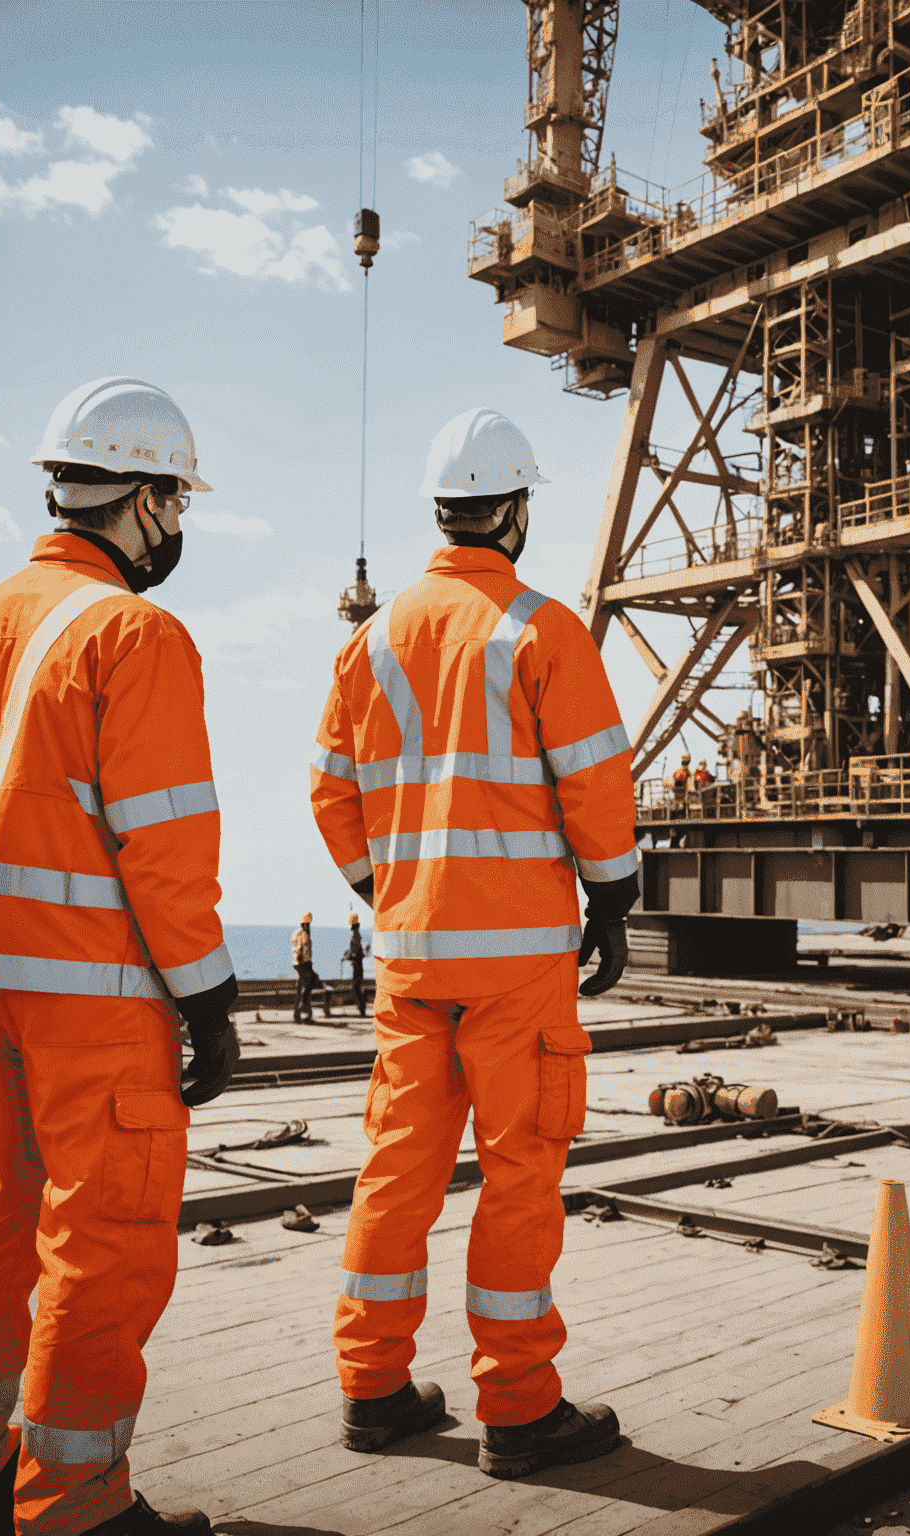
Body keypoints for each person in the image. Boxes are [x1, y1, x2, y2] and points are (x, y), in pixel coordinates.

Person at [0, 377, 240, 1536]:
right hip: (101, 1000)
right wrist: (211, 996)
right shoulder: (134, 632)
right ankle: (77, 1506)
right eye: (175, 505)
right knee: (104, 1241)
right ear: (139, 499)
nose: (176, 529)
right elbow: (166, 844)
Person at [308, 407, 639, 1480]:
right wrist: (614, 902)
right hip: (517, 966)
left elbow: (330, 791)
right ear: (515, 511)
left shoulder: (373, 639)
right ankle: (519, 1407)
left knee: (397, 1171)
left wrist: (388, 892)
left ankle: (373, 1388)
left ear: (442, 512)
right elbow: (594, 782)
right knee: (518, 1175)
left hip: (413, 960)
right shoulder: (542, 631)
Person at [292, 912, 318, 1021]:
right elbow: (301, 949)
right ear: (306, 924)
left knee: (301, 986)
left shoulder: (296, 933)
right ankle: (304, 1007)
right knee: (312, 981)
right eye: (308, 924)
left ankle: (297, 1014)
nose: (309, 927)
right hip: (303, 963)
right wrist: (304, 963)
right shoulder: (304, 934)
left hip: (297, 963)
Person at [344, 911, 367, 1018]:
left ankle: (362, 1008)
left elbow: (355, 953)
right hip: (358, 965)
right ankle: (361, 1008)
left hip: (357, 966)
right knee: (357, 987)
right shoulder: (357, 936)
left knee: (356, 988)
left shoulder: (355, 937)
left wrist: (348, 956)